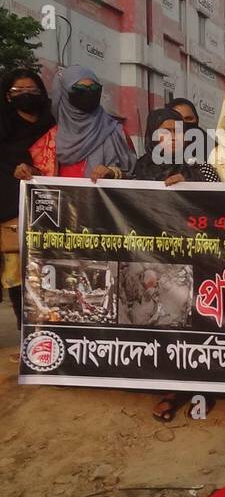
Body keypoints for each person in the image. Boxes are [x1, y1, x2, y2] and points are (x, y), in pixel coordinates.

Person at [130, 107, 219, 421]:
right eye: (165, 130)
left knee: (199, 324)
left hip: (198, 259)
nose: (173, 137)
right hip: (156, 259)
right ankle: (169, 390)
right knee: (165, 324)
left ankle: (202, 389)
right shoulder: (139, 168)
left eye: (179, 130)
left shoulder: (201, 167)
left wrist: (192, 182)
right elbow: (124, 204)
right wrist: (108, 177)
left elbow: (222, 205)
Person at [2, 68, 56, 323]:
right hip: (9, 210)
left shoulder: (54, 124)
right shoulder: (3, 125)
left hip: (49, 209)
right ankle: (25, 332)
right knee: (15, 274)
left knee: (45, 272)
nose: (26, 95)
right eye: (18, 91)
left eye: (32, 90)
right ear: (7, 96)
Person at [42, 66, 135, 179]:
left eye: (94, 88)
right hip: (65, 196)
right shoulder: (50, 139)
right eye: (80, 89)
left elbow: (135, 175)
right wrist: (29, 172)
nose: (88, 93)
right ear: (65, 94)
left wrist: (112, 173)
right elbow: (39, 179)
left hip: (102, 196)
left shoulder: (117, 132)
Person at [165, 96, 210, 168]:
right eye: (178, 119)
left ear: (197, 119)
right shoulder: (158, 152)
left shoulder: (213, 150)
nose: (184, 123)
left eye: (188, 118)